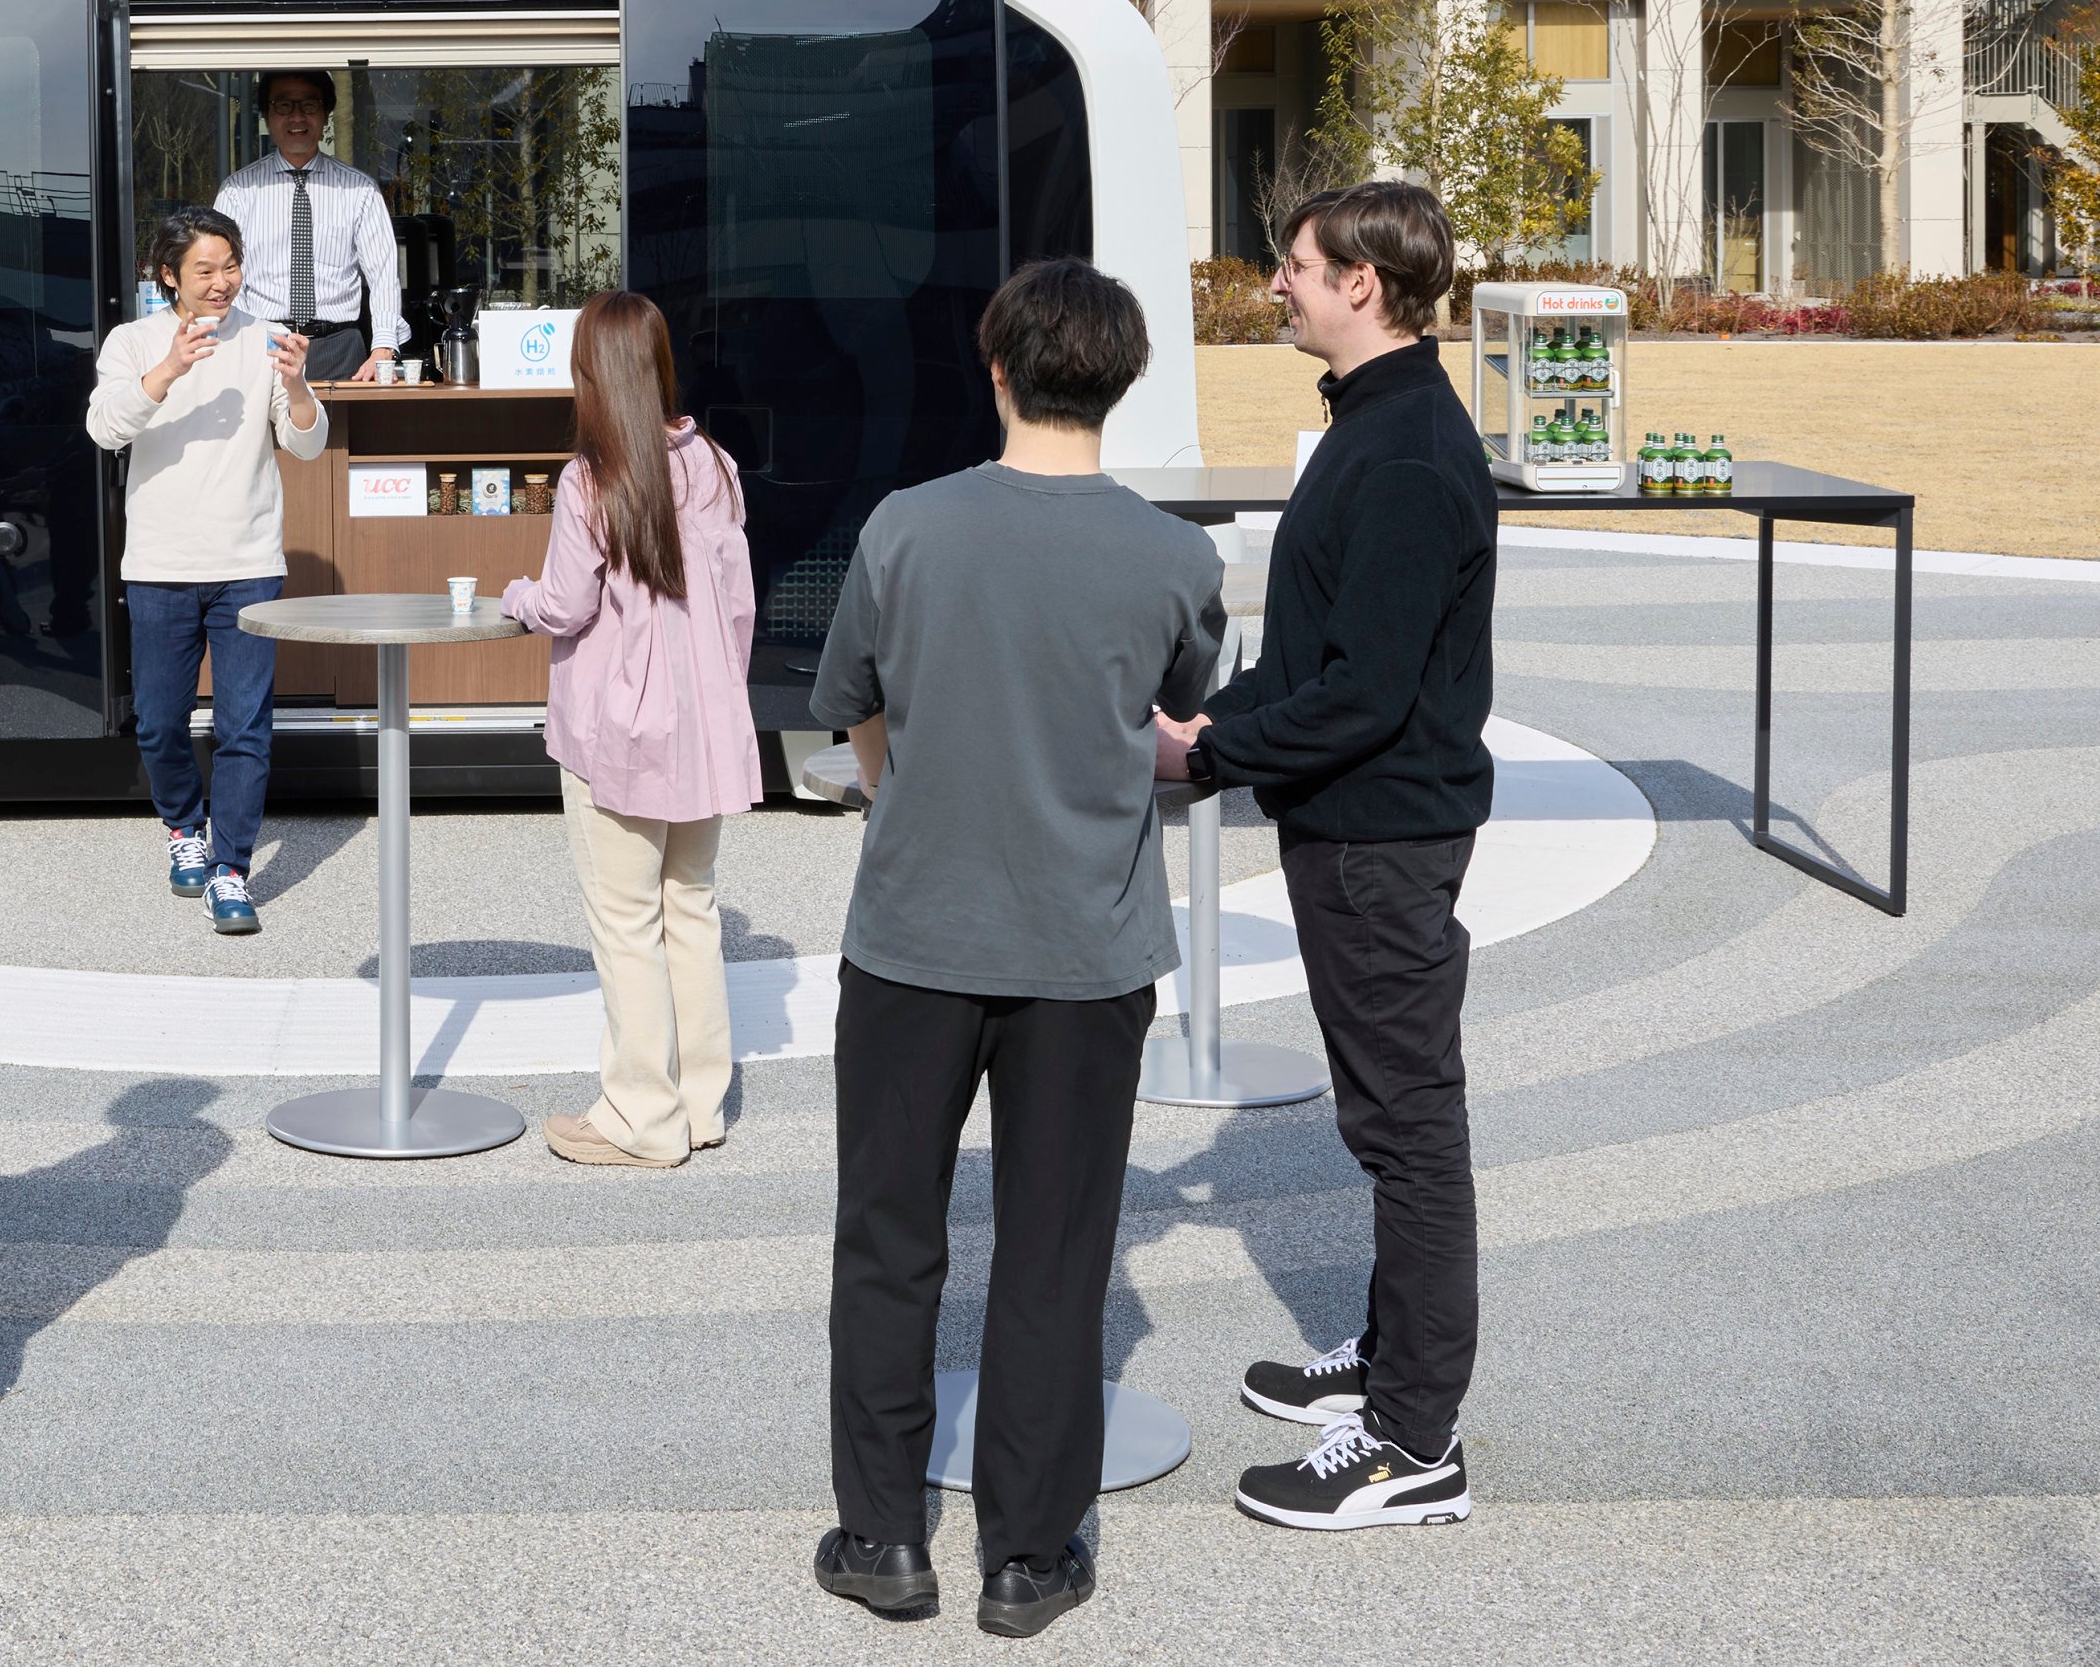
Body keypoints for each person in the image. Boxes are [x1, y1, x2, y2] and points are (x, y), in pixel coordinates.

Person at [806, 259, 1225, 1636]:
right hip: (1086, 949)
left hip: (912, 929)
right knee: (1052, 1249)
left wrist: (899, 794)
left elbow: (851, 708)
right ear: (1118, 379)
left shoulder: (905, 528)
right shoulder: (1172, 555)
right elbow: (1174, 714)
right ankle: (1026, 1555)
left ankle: (881, 1535)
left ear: (994, 368)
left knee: (886, 1236)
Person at [1157, 180, 1495, 1533]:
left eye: (1293, 265)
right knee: (1380, 1113)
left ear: (1364, 283)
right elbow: (1307, 661)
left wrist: (1202, 756)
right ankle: (1385, 1354)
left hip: (1380, 832)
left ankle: (1412, 1440)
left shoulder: (1406, 449)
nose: (1276, 284)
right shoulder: (1371, 424)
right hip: (1348, 825)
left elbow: (1361, 694)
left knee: (1406, 1128)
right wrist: (1213, 721)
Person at [499, 289, 758, 1169]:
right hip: (705, 725)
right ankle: (698, 1106)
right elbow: (738, 610)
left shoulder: (590, 478)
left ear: (588, 374)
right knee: (691, 908)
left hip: (619, 731)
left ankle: (638, 1117)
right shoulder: (714, 464)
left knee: (624, 920)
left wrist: (513, 598)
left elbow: (565, 606)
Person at [89, 204, 325, 936]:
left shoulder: (264, 340)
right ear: (168, 277)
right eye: (204, 270)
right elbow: (103, 429)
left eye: (230, 266)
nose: (222, 282)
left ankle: (231, 869)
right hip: (160, 563)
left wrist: (294, 386)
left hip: (248, 562)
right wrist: (167, 370)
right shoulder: (133, 342)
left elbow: (308, 446)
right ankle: (181, 828)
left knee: (244, 727)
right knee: (159, 724)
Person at [214, 69, 403, 384]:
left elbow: (383, 275)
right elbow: (226, 276)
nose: (297, 117)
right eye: (284, 105)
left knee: (341, 434)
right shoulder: (238, 191)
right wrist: (240, 339)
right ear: (267, 116)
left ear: (326, 114)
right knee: (263, 435)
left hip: (339, 348)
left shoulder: (359, 190)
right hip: (264, 344)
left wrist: (383, 346)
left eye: (309, 105)